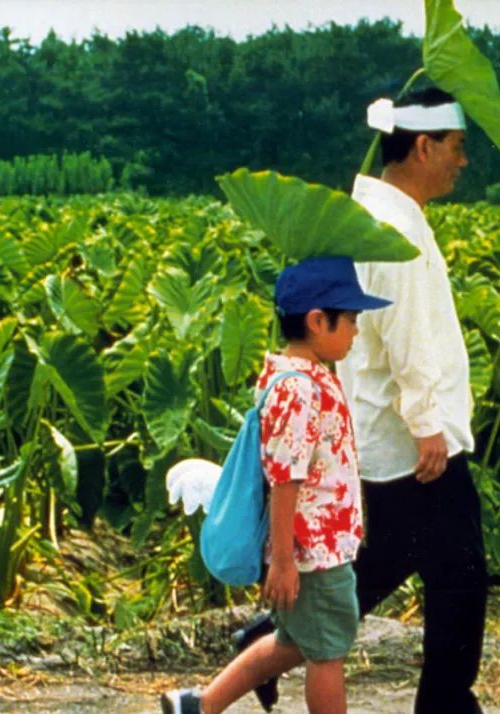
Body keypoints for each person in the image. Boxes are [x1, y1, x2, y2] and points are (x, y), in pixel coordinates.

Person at [161, 256, 391, 714]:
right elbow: (286, 480)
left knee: (293, 642)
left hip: (313, 551)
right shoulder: (298, 390)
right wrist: (283, 562)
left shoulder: (302, 377)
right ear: (317, 321)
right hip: (312, 554)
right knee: (327, 654)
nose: (356, 330)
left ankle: (199, 706)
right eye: (350, 319)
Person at [341, 87, 488, 713]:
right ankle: (448, 708)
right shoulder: (393, 227)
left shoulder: (383, 214)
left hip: (395, 438)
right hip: (414, 446)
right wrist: (429, 425)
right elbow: (407, 338)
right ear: (422, 146)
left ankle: (262, 646)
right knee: (461, 579)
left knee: (382, 572)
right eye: (456, 148)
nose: (463, 161)